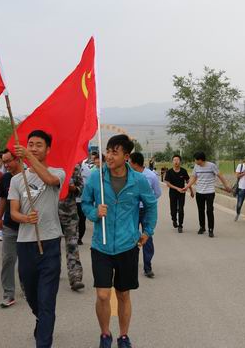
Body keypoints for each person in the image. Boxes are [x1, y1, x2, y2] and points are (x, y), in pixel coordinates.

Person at [82, 135, 157, 348]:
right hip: (101, 245)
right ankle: (105, 334)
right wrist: (94, 212)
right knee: (103, 295)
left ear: (126, 156)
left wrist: (147, 231)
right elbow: (85, 203)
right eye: (108, 151)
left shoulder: (138, 180)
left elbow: (151, 205)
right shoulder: (96, 178)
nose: (109, 156)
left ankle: (123, 336)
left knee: (123, 294)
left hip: (127, 246)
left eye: (115, 152)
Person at [9, 130, 65, 348]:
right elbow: (13, 212)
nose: (33, 148)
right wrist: (25, 218)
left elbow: (49, 180)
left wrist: (28, 157)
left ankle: (43, 342)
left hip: (50, 243)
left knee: (47, 300)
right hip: (25, 245)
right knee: (32, 295)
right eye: (30, 144)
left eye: (38, 145)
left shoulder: (58, 173)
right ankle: (41, 320)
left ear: (48, 149)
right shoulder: (16, 180)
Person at [129, 152, 161, 278]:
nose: (128, 164)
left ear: (135, 163)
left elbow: (157, 193)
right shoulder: (129, 175)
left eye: (130, 162)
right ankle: (132, 263)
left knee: (147, 237)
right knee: (132, 235)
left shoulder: (151, 176)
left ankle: (147, 267)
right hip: (133, 210)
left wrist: (147, 201)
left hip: (146, 210)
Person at [184, 152, 232, 238]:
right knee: (201, 210)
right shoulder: (196, 167)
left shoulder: (211, 166)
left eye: (195, 160)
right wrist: (187, 187)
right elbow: (193, 178)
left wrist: (226, 186)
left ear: (200, 160)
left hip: (210, 192)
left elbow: (220, 175)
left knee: (209, 210)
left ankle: (211, 229)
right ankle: (202, 227)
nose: (195, 161)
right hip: (199, 192)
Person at [0, 149, 21, 308]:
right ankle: (8, 294)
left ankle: (28, 288)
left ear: (17, 159)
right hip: (9, 226)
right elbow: (3, 199)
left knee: (27, 261)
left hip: (28, 227)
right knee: (7, 260)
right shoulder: (5, 178)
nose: (6, 165)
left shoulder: (29, 176)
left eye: (8, 161)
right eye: (4, 162)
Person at [58, 164, 85, 291]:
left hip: (70, 213)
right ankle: (52, 272)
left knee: (72, 245)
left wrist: (74, 189)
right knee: (52, 246)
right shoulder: (47, 166)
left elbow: (81, 187)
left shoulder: (74, 166)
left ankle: (75, 278)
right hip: (51, 213)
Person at [163, 154, 193, 233]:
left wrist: (191, 191)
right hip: (173, 193)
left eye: (177, 160)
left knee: (181, 209)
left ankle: (180, 225)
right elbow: (167, 183)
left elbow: (188, 181)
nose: (176, 161)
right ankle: (174, 219)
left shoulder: (183, 171)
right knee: (173, 209)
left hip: (181, 193)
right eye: (174, 160)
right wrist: (177, 188)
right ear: (172, 162)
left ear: (180, 161)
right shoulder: (169, 172)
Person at [77, 157, 93, 245]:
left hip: (83, 199)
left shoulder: (87, 170)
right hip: (72, 200)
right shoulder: (70, 168)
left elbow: (90, 184)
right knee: (72, 220)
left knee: (82, 220)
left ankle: (79, 238)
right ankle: (73, 236)